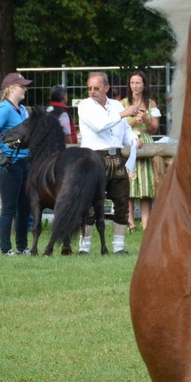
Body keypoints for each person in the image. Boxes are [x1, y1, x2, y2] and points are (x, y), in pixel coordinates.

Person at [74, 70, 139, 254]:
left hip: (116, 157)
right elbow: (99, 125)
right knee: (89, 204)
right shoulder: (84, 106)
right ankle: (84, 248)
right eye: (90, 88)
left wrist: (133, 139)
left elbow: (124, 130)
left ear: (107, 88)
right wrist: (123, 113)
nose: (92, 91)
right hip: (93, 158)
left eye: (96, 88)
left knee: (121, 201)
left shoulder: (116, 105)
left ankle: (119, 247)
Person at [0, 73, 36, 255]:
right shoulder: (4, 109)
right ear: (11, 88)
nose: (25, 89)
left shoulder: (21, 110)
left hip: (23, 163)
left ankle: (22, 247)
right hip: (9, 164)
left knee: (24, 208)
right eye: (22, 86)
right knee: (9, 208)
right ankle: (6, 248)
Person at [124, 71, 164, 230]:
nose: (134, 86)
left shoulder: (151, 104)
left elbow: (154, 129)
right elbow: (118, 126)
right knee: (129, 182)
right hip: (129, 142)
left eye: (138, 83)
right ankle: (130, 222)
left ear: (144, 85)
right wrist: (134, 121)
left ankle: (146, 223)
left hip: (145, 142)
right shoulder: (123, 103)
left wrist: (146, 119)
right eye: (132, 83)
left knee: (146, 183)